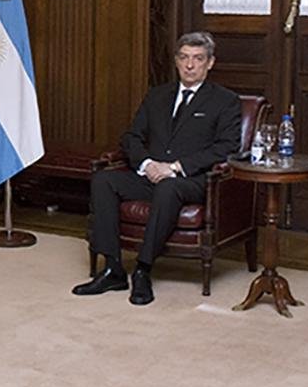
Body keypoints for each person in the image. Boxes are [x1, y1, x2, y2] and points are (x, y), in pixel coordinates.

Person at [73, 31, 242, 305]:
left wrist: (175, 167)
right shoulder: (157, 96)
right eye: (184, 58)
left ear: (210, 63)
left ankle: (143, 269)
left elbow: (225, 147)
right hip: (151, 174)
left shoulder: (225, 101)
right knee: (104, 180)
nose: (190, 65)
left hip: (192, 180)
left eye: (198, 59)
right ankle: (113, 269)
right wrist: (147, 164)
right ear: (176, 61)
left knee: (168, 186)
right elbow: (131, 137)